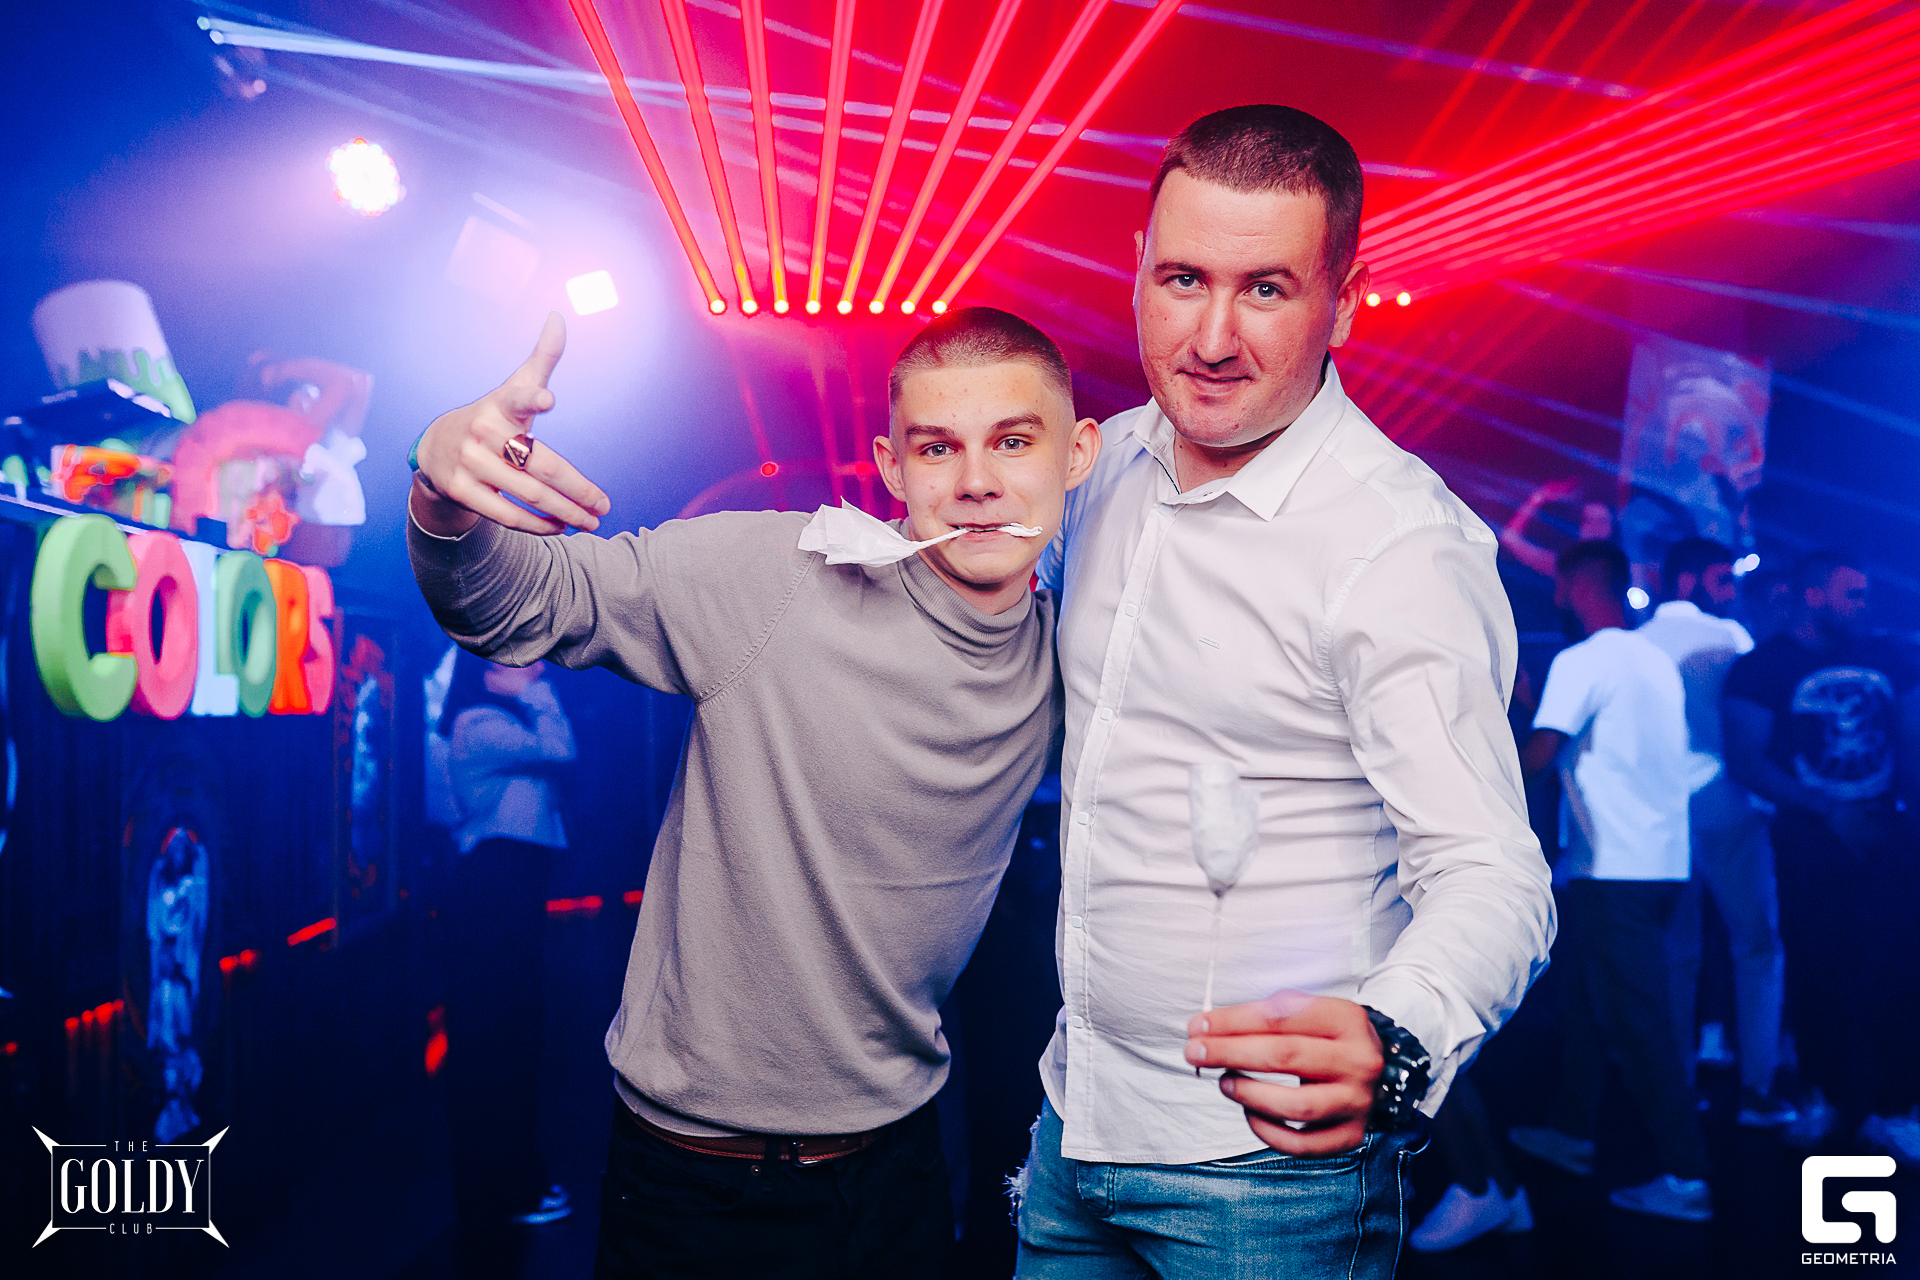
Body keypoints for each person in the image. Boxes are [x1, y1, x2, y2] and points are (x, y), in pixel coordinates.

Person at [407, 304, 1100, 1278]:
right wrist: (441, 488)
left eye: (1014, 441)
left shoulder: (1071, 660)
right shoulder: (782, 574)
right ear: (892, 467)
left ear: (1077, 455)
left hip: (897, 1172)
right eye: (938, 447)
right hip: (694, 1186)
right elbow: (508, 601)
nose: (978, 481)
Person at [1017, 105, 1555, 1277]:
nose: (1211, 337)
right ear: (1139, 272)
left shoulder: (1398, 543)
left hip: (1266, 1179)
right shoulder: (1102, 466)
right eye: (1183, 279)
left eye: (1265, 288)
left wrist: (1396, 1038)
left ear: (1342, 304)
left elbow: (1493, 870)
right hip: (1074, 1124)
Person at [1509, 540, 1712, 1223]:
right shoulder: (1653, 659)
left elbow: (1539, 757)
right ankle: (1570, 1130)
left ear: (1572, 587)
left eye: (1559, 587)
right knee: (1589, 998)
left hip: (1614, 869)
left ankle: (1687, 1175)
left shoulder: (1582, 660)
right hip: (1660, 862)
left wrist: (1502, 729)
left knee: (1638, 1022)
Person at [1723, 551, 1920, 1164]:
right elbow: (1746, 761)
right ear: (1812, 596)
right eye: (1852, 594)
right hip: (1809, 841)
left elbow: (1912, 738)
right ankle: (1825, 1099)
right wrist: (1829, 810)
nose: (1864, 605)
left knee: (1897, 974)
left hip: (1890, 836)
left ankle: (1895, 1110)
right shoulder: (1763, 668)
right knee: (1817, 971)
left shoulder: (1890, 656)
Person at [1636, 537, 1793, 1127]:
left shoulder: (1636, 642)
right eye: (1723, 580)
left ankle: (1676, 1088)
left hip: (1659, 815)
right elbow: (1752, 727)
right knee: (1756, 947)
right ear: (1689, 581)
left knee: (1677, 955)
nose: (1732, 591)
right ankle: (1757, 1088)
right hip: (1725, 804)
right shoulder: (1730, 637)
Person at [437, 652, 577, 1249]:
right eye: (518, 661)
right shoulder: (479, 725)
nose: (537, 668)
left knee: (512, 1045)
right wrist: (535, 695)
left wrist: (526, 692)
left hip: (505, 901)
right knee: (495, 1049)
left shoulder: (495, 723)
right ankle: (505, 1194)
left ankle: (512, 1186)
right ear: (484, 674)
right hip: (492, 901)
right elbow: (562, 749)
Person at [1499, 477, 1616, 578]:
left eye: (1601, 522)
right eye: (1588, 521)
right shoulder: (1567, 564)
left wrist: (1539, 497)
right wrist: (1539, 497)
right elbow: (1509, 539)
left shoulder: (1613, 569)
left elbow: (1509, 539)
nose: (1595, 528)